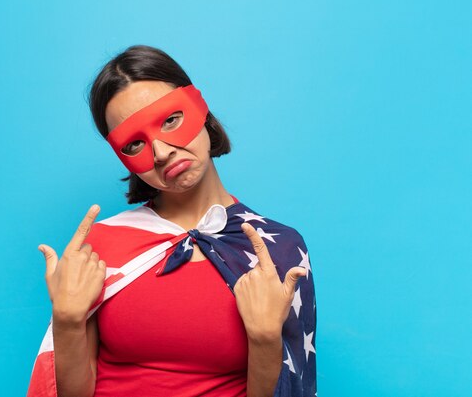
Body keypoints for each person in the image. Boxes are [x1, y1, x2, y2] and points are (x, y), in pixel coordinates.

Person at [27, 45, 317, 397]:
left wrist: (265, 338)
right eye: (134, 144)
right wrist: (68, 321)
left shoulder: (277, 249)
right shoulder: (103, 245)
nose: (162, 152)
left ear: (200, 107)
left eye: (170, 120)